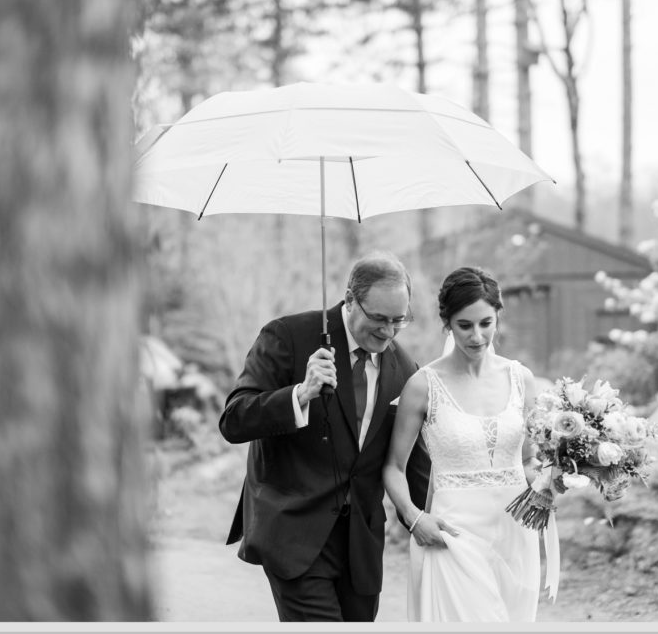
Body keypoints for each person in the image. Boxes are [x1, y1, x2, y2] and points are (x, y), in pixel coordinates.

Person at [219, 251, 430, 622]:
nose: (388, 331)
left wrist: (432, 517)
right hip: (294, 535)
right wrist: (300, 393)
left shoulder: (406, 369)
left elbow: (412, 460)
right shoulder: (287, 336)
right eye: (379, 319)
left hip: (361, 547)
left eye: (400, 320)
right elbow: (234, 419)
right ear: (350, 299)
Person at [383, 266, 559, 622]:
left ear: (498, 317)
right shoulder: (423, 385)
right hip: (453, 534)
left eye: (485, 323)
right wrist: (415, 518)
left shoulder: (521, 379)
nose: (477, 336)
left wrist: (554, 477)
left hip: (515, 531)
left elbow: (528, 462)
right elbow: (393, 467)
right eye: (465, 325)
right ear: (447, 323)